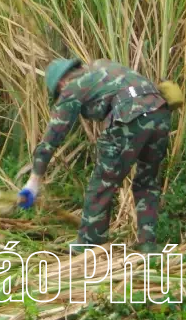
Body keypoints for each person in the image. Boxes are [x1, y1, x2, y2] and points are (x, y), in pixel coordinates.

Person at [18, 58, 174, 253]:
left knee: (102, 183)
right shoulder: (102, 67)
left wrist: (34, 180)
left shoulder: (72, 88)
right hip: (160, 112)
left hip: (129, 116)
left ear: (61, 83)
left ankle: (89, 244)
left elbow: (52, 139)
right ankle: (148, 244)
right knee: (147, 182)